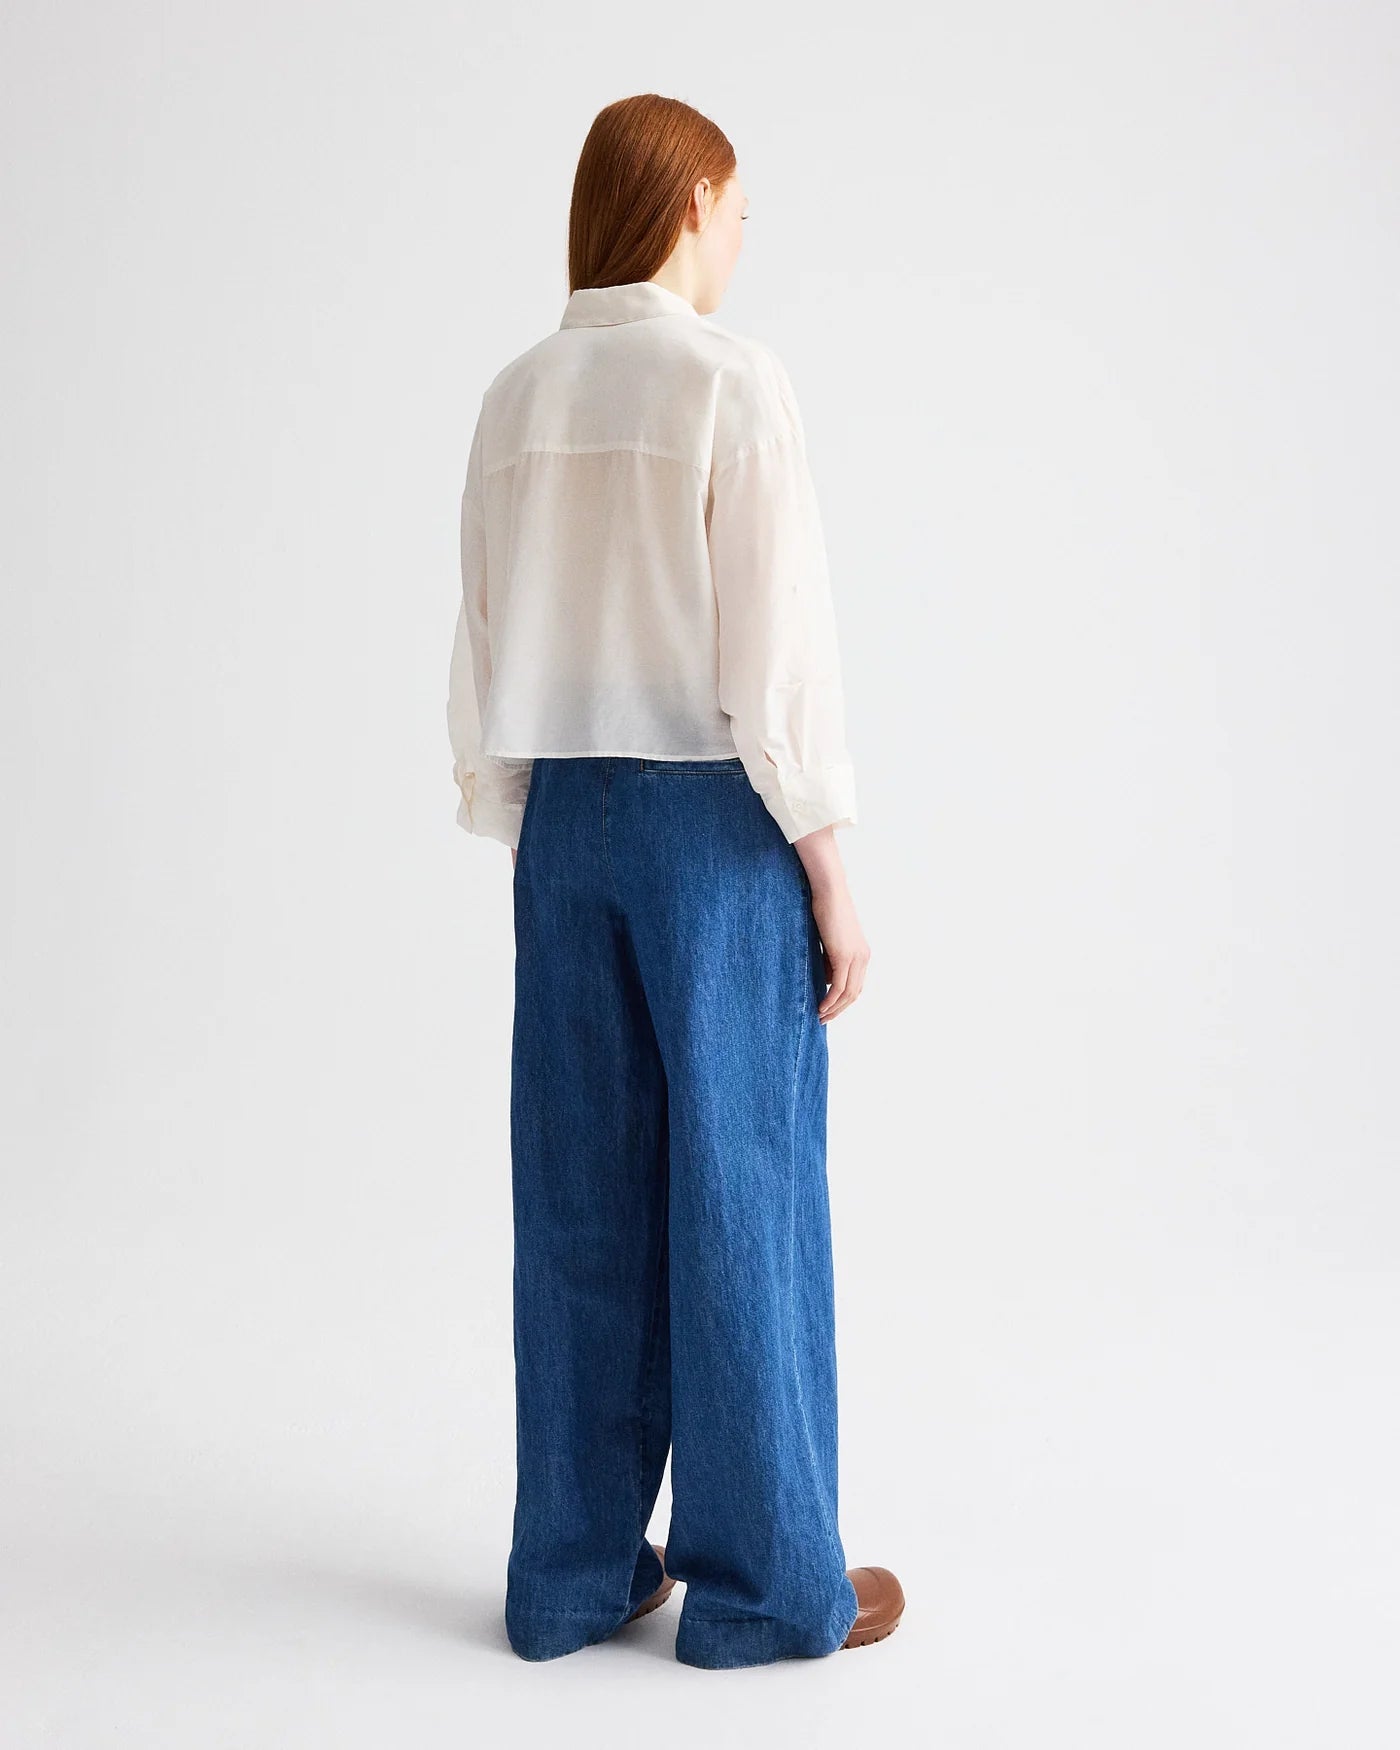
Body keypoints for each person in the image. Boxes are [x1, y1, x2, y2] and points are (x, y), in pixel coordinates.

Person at [446, 93, 904, 1671]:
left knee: (578, 1191)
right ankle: (768, 1586)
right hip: (715, 820)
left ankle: (571, 1575)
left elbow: (484, 627)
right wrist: (828, 866)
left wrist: (521, 810)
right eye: (739, 210)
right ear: (692, 201)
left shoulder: (516, 395)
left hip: (565, 819)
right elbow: (777, 656)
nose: (741, 238)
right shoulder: (728, 381)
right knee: (743, 1184)